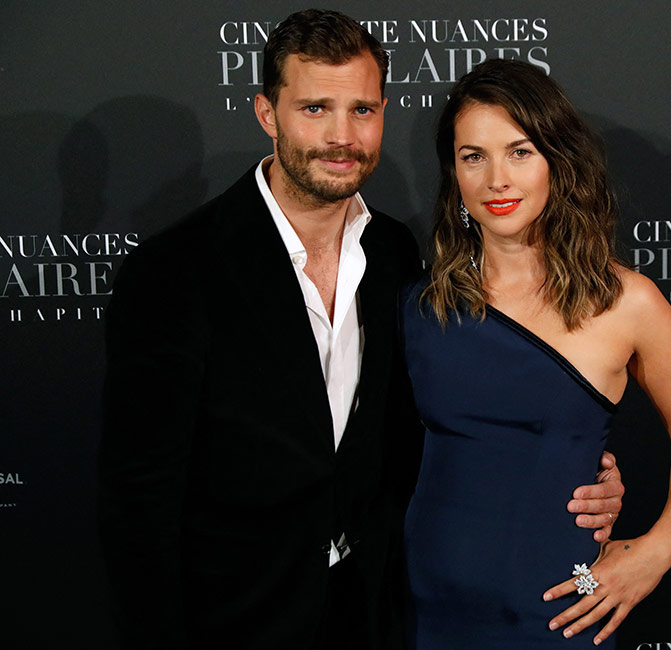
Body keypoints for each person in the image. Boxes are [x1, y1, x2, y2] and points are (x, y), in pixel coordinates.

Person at [98, 10, 624, 650]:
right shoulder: (176, 271)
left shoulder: (397, 256)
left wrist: (573, 469)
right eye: (315, 109)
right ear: (268, 114)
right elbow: (138, 501)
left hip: (380, 611)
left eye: (362, 110)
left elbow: (429, 427)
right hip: (232, 619)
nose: (341, 136)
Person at [400, 59, 671, 648]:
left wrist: (659, 548)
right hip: (423, 606)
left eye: (520, 151)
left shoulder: (626, 302)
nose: (497, 178)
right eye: (474, 156)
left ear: (557, 159)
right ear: (453, 173)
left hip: (558, 610)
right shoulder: (420, 306)